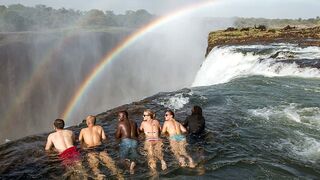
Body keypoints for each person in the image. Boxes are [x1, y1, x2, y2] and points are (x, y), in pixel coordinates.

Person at [79, 115, 122, 179]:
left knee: (94, 167)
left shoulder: (83, 130)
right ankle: (119, 176)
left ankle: (99, 176)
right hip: (100, 147)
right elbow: (104, 138)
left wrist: (83, 147)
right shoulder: (99, 127)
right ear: (94, 122)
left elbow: (80, 140)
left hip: (90, 149)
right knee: (110, 164)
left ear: (87, 122)